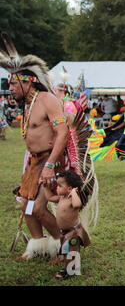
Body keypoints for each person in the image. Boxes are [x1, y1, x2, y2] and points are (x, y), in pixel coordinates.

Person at [1, 33, 69, 259]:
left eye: (12, 82)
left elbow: (62, 132)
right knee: (26, 207)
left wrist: (50, 165)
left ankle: (63, 246)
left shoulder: (47, 100)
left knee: (39, 208)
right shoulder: (27, 105)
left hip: (49, 160)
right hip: (32, 162)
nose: (9, 86)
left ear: (27, 80)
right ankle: (38, 246)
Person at [43, 170, 90, 280]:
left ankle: (70, 270)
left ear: (69, 189)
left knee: (72, 251)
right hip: (64, 232)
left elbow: (77, 205)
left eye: (59, 185)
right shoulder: (61, 198)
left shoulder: (71, 200)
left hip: (73, 232)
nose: (56, 188)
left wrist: (73, 193)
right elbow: (49, 197)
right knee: (67, 250)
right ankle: (70, 267)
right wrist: (45, 187)